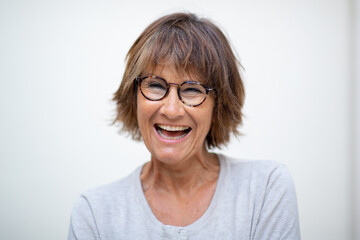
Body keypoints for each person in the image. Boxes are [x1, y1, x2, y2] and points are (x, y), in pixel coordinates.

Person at [68, 12, 300, 240]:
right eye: (156, 86)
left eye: (191, 90)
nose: (171, 110)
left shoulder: (265, 189)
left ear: (218, 105)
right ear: (134, 98)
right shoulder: (95, 213)